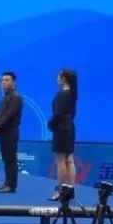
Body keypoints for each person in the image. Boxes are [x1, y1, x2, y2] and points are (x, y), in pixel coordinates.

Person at [48, 68, 78, 200]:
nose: (57, 79)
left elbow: (57, 114)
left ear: (64, 79)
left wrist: (50, 124)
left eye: (58, 76)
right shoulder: (72, 94)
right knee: (69, 160)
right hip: (70, 127)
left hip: (61, 129)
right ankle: (71, 190)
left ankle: (60, 191)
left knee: (60, 162)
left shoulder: (61, 95)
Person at [0, 71, 23, 194]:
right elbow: (0, 113)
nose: (4, 82)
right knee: (6, 158)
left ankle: (11, 185)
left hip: (10, 130)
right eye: (3, 80)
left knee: (10, 159)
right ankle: (6, 182)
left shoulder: (16, 97)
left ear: (13, 81)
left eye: (7, 80)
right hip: (3, 131)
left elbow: (9, 115)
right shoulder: (6, 96)